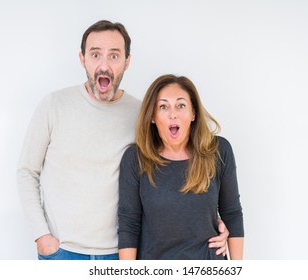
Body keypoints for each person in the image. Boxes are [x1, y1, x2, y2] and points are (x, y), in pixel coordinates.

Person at [17, 20, 229, 260]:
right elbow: (27, 172)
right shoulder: (53, 106)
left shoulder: (144, 115)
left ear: (127, 61)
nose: (104, 65)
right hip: (62, 252)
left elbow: (175, 167)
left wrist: (211, 220)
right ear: (82, 58)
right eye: (95, 54)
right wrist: (42, 236)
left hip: (122, 253)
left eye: (114, 56)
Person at [118, 74, 244, 260]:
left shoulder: (219, 151)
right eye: (163, 106)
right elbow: (129, 224)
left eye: (181, 105)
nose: (173, 113)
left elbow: (232, 213)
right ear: (152, 116)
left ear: (193, 113)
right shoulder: (135, 158)